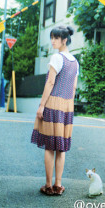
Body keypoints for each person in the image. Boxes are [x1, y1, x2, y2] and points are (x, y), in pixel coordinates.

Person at [31, 26, 79, 196]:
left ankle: (48, 185)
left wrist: (42, 105)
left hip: (53, 104)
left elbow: (50, 83)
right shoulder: (74, 61)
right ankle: (59, 185)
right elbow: (73, 87)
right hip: (68, 106)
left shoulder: (57, 58)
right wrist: (69, 105)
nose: (52, 41)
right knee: (61, 147)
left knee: (50, 147)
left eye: (56, 38)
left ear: (64, 40)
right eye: (52, 38)